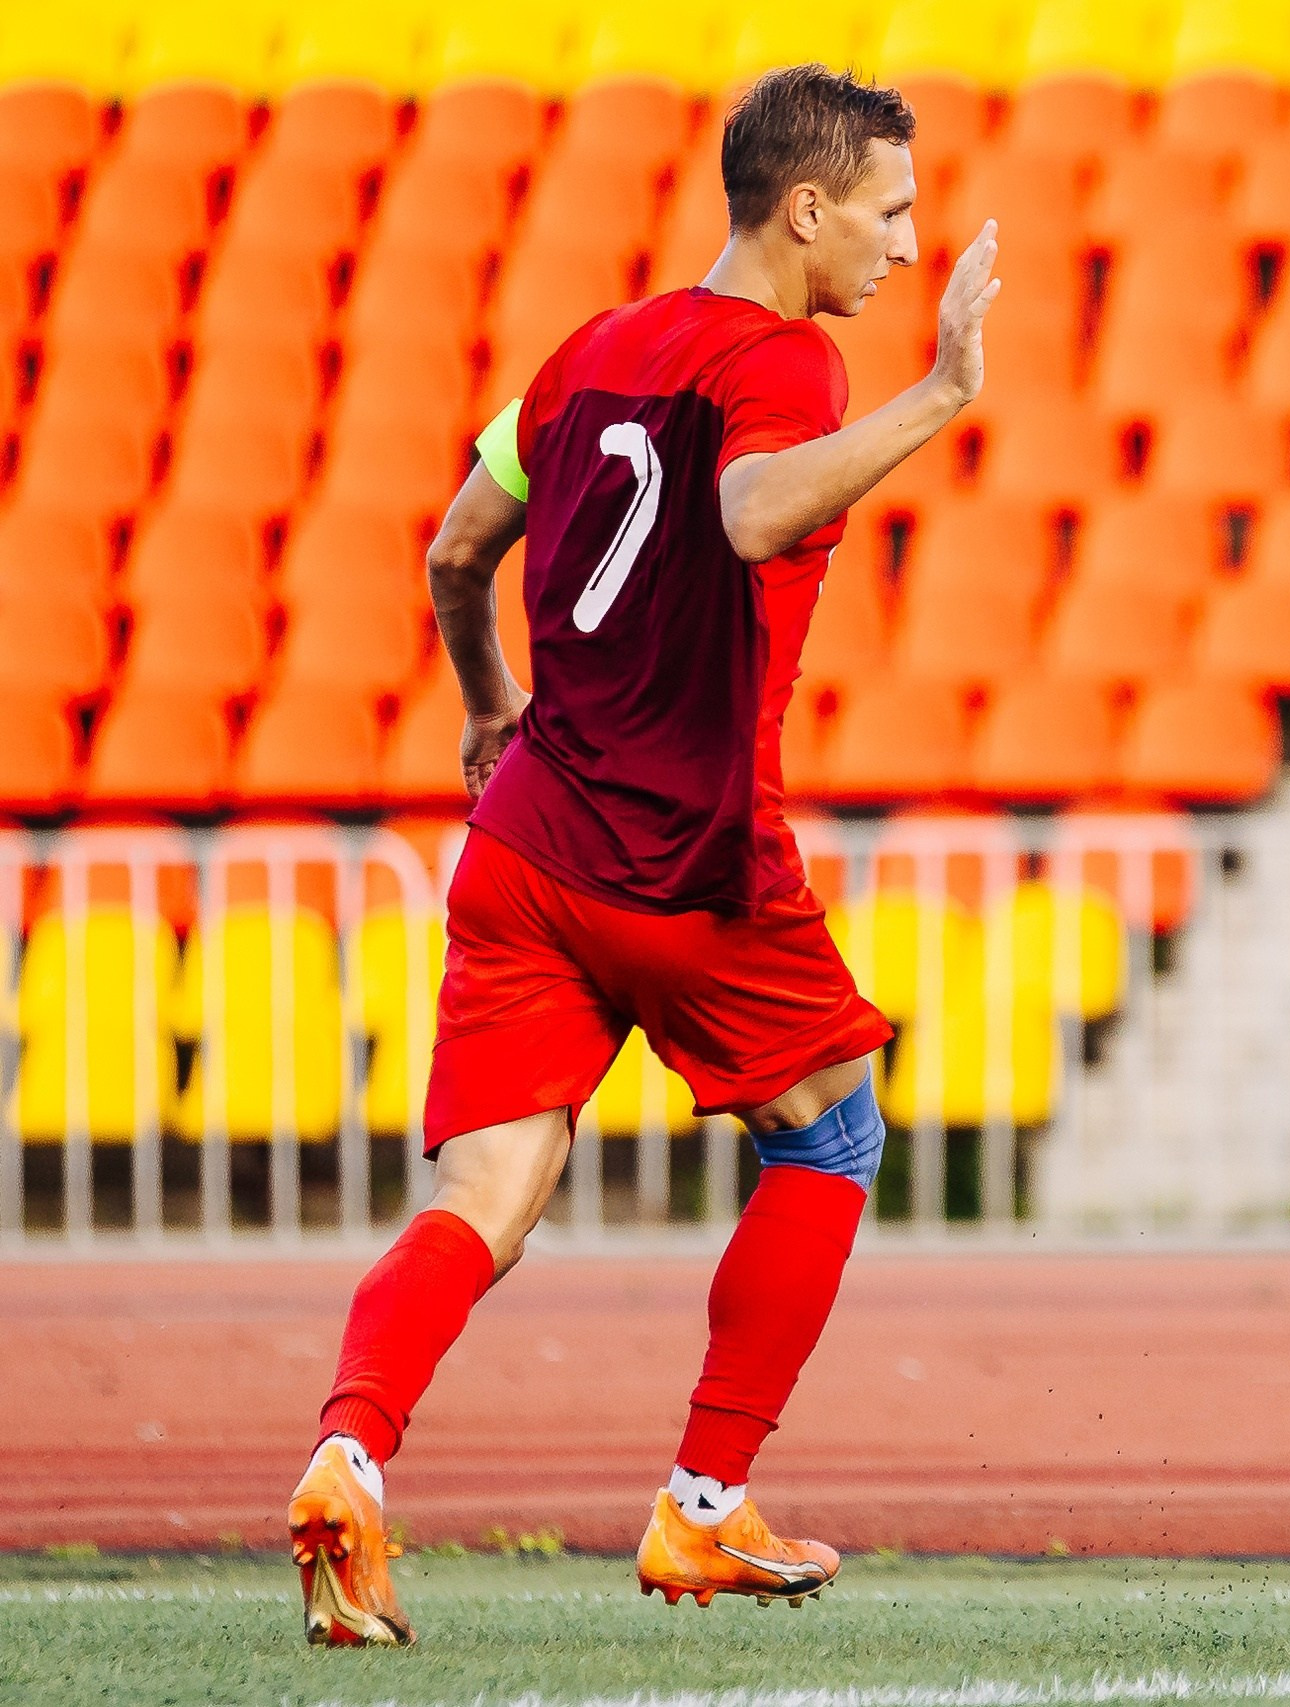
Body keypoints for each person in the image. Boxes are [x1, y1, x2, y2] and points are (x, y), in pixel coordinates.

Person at [287, 66, 1001, 1647]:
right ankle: (701, 1506)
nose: (899, 247)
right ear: (805, 210)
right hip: (686, 868)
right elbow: (751, 514)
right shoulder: (787, 362)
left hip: (528, 843)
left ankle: (350, 1453)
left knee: (487, 1193)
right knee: (833, 1138)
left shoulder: (581, 356)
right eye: (885, 214)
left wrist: (488, 710)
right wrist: (941, 395)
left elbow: (454, 548)